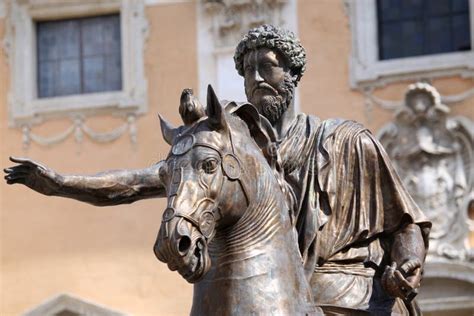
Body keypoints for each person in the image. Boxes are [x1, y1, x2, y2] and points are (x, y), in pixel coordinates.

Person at [4, 24, 430, 314]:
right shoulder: (230, 147)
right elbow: (137, 183)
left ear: (294, 74)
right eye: (247, 71)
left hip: (340, 295)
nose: (257, 78)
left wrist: (406, 264)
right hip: (257, 290)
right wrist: (59, 183)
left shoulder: (347, 141)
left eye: (268, 67)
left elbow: (405, 224)